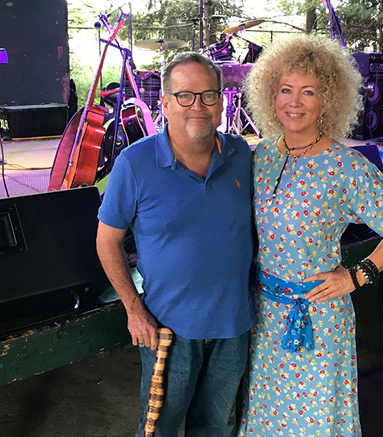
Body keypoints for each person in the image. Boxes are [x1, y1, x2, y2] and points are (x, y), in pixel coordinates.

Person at [237, 34, 383, 437]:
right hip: (264, 315)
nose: (294, 101)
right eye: (286, 89)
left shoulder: (345, 166)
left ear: (328, 99)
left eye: (309, 92)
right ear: (271, 94)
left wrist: (356, 276)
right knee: (266, 417)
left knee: (315, 421)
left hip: (319, 319)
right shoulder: (261, 155)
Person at [96, 52, 255, 437]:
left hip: (234, 324)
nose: (197, 106)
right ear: (165, 103)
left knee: (217, 426)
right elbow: (107, 242)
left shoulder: (242, 156)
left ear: (222, 103)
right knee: (159, 427)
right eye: (185, 96)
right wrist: (134, 309)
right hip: (168, 328)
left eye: (208, 95)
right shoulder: (134, 164)